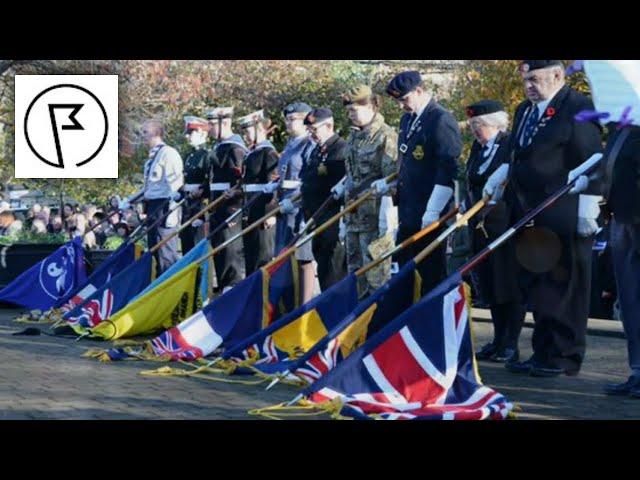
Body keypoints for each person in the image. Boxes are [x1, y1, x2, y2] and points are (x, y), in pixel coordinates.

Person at [484, 60, 603, 377]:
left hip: (563, 211)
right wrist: (503, 172)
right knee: (538, 287)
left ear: (557, 75)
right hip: (529, 212)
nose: (528, 86)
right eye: (525, 80)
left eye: (535, 79)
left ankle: (564, 355)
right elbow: (519, 151)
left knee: (563, 287)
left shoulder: (579, 106)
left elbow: (592, 158)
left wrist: (589, 207)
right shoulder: (525, 110)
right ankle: (543, 352)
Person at [376, 70, 462, 295]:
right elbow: (409, 162)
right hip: (408, 210)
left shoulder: (441, 119)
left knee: (431, 273)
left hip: (430, 213)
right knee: (403, 271)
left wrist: (433, 210)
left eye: (404, 99)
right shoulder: (408, 119)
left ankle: (433, 323)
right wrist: (391, 183)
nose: (401, 105)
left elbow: (448, 168)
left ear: (419, 91)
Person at [464, 100, 525, 363]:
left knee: (507, 283)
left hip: (503, 223)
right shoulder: (477, 150)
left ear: (496, 123)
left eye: (479, 125)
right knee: (489, 284)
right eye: (473, 126)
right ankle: (498, 340)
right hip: (480, 225)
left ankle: (511, 343)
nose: (475, 131)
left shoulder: (509, 144)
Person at [340, 84, 398, 298]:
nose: (351, 116)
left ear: (372, 106)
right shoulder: (355, 137)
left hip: (375, 220)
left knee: (375, 277)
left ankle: (376, 326)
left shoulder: (386, 136)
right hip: (354, 218)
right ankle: (357, 326)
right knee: (354, 277)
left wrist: (386, 221)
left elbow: (392, 181)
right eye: (349, 111)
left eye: (354, 110)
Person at [283, 107, 348, 291]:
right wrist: (295, 201)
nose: (312, 135)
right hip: (315, 218)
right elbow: (309, 182)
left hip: (332, 220)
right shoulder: (317, 151)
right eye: (310, 131)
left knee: (334, 272)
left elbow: (341, 184)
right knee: (324, 269)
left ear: (329, 125)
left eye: (315, 130)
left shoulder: (340, 149)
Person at [124, 119, 184, 273]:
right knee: (154, 249)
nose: (142, 137)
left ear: (156, 133)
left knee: (165, 252)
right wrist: (129, 200)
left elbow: (176, 184)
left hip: (164, 207)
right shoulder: (152, 158)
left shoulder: (168, 153)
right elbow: (149, 188)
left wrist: (172, 212)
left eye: (145, 133)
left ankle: (169, 287)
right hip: (152, 207)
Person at [207, 106, 247, 293]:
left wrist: (234, 199)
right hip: (217, 206)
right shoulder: (219, 147)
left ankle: (232, 288)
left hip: (230, 207)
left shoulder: (235, 148)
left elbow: (241, 180)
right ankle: (224, 286)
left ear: (225, 124)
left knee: (230, 250)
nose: (209, 128)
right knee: (219, 251)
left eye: (212, 124)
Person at [238, 109, 280, 275]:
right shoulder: (251, 154)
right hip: (250, 207)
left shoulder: (268, 153)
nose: (246, 137)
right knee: (250, 255)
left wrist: (271, 213)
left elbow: (274, 183)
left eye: (248, 131)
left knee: (262, 256)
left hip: (263, 209)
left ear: (260, 129)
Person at [180, 115, 213, 254]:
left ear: (202, 133)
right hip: (188, 204)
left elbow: (210, 179)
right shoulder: (189, 156)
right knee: (186, 243)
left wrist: (202, 191)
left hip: (199, 205)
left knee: (196, 244)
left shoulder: (207, 155)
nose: (187, 137)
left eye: (191, 133)